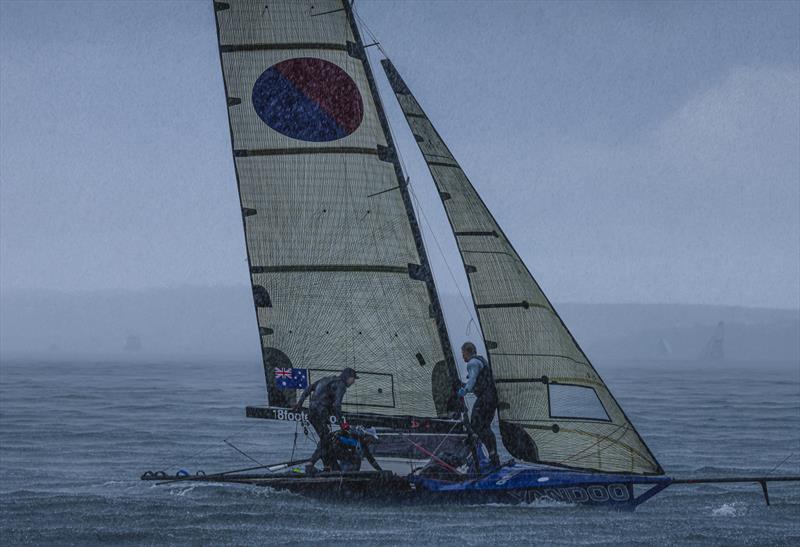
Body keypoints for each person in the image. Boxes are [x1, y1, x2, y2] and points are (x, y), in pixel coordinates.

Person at [293, 367, 358, 473]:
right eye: (353, 379)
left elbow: (309, 388)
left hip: (312, 412)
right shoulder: (341, 385)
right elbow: (337, 405)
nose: (353, 382)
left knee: (325, 439)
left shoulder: (325, 379)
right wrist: (342, 424)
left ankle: (328, 466)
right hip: (321, 413)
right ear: (347, 377)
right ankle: (310, 463)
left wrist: (299, 404)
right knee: (326, 439)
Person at [457, 342, 500, 468]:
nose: (462, 356)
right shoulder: (482, 361)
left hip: (485, 399)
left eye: (463, 353)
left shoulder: (472, 363)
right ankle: (493, 456)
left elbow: (473, 380)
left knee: (475, 424)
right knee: (484, 427)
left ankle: (476, 455)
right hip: (492, 399)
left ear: (467, 351)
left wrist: (464, 391)